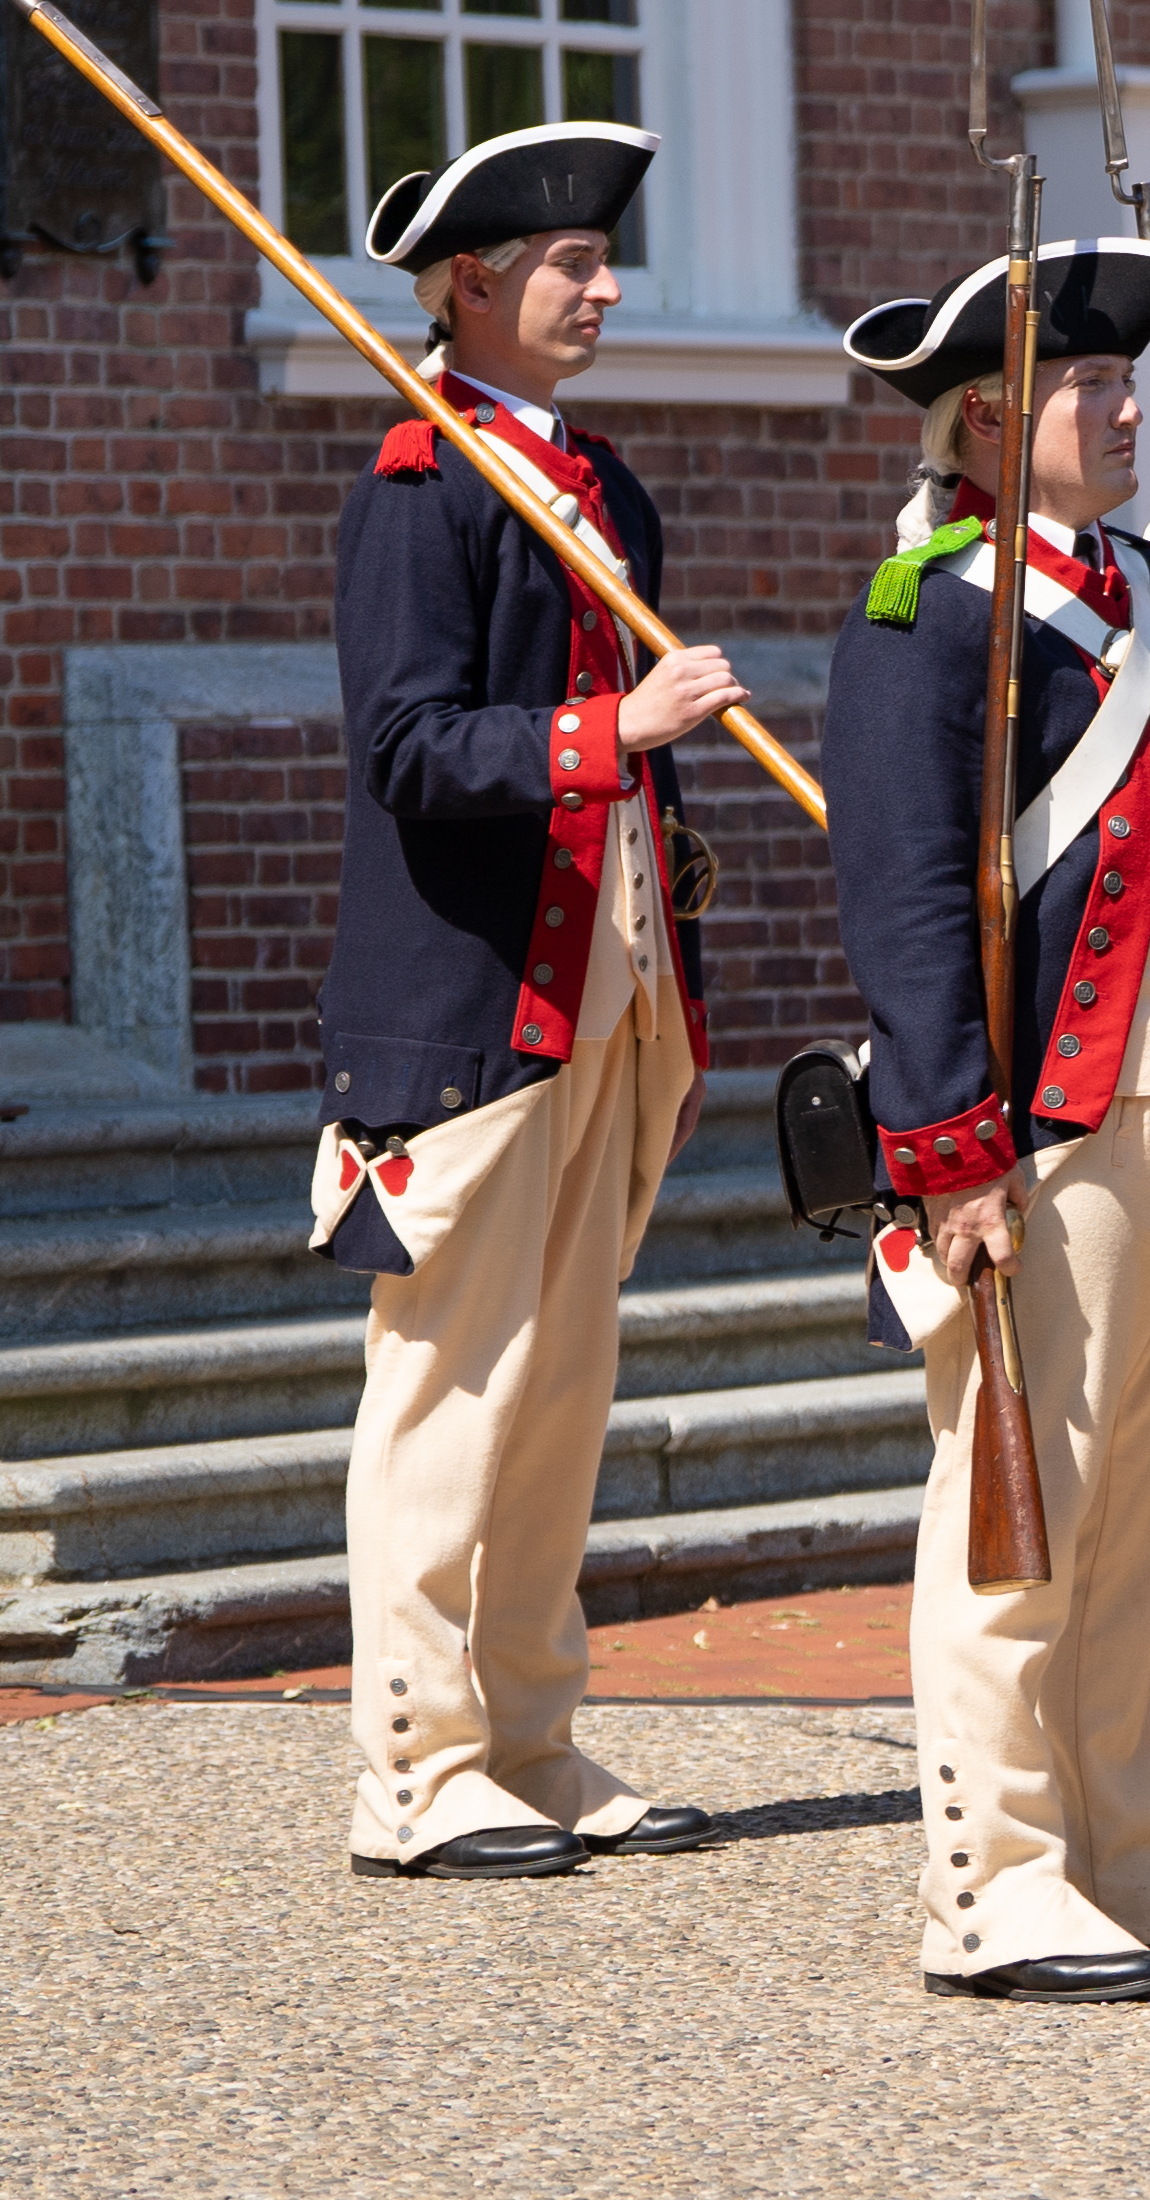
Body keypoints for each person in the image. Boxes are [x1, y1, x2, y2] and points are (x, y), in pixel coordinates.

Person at [825, 230, 1150, 2004]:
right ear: (977, 422)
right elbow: (898, 895)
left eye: (1124, 384)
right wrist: (953, 1146)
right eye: (1086, 388)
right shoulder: (926, 609)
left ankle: (1114, 1845)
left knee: (1146, 1505)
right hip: (1053, 1121)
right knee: (1024, 1510)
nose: (1122, 414)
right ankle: (995, 1878)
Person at [319, 121, 731, 1883]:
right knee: (449, 1400)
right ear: (469, 286)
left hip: (605, 1003)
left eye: (603, 258)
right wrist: (608, 737)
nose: (606, 286)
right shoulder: (421, 487)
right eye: (568, 263)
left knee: (558, 1395)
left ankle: (530, 1737)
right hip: (475, 1009)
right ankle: (415, 1767)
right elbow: (405, 750)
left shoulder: (596, 484)